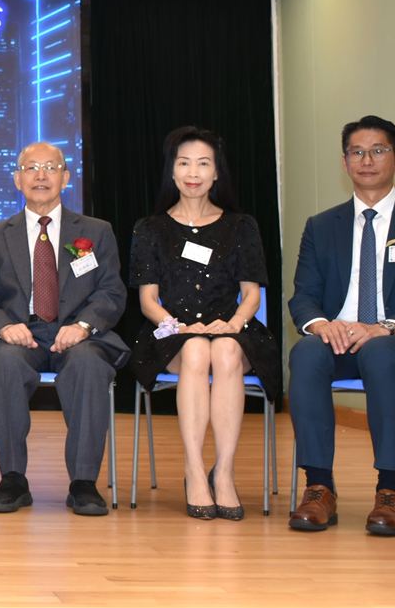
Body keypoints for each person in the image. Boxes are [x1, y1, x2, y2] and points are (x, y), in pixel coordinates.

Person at [288, 115, 395, 536]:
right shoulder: (321, 227)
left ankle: (391, 491)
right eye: (357, 152)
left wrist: (386, 327)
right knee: (306, 352)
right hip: (340, 340)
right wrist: (321, 325)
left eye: (378, 150)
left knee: (380, 351)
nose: (367, 160)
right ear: (344, 162)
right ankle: (318, 487)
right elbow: (304, 295)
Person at [127, 126, 278, 521]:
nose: (193, 172)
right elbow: (148, 302)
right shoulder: (150, 228)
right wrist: (178, 326)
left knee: (225, 351)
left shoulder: (241, 226)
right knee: (195, 349)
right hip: (170, 331)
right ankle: (194, 470)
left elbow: (251, 295)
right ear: (172, 171)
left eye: (203, 164)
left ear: (216, 173)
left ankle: (223, 472)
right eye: (184, 163)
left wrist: (233, 324)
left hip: (232, 327)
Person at [0, 142, 127, 517]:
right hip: (20, 334)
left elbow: (111, 291)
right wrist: (5, 327)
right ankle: (12, 480)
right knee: (5, 363)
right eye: (31, 168)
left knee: (88, 365)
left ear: (65, 177)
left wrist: (84, 325)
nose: (40, 175)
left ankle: (84, 483)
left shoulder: (96, 231)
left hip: (77, 335)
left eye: (51, 168)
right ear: (17, 179)